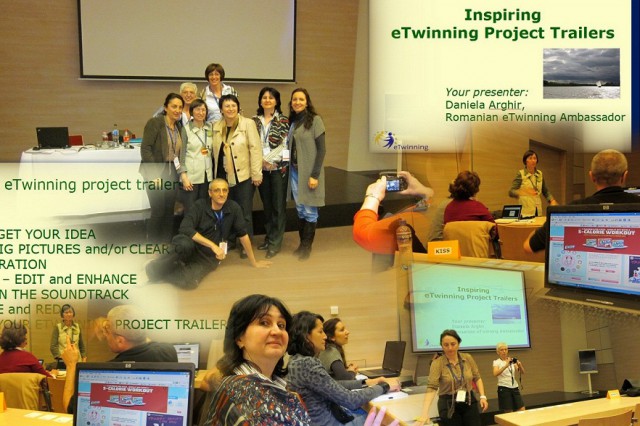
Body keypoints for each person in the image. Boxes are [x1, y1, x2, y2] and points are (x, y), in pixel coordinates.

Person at [202, 294, 310, 425]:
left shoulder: (278, 386)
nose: (277, 331)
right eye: (264, 323)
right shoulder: (241, 392)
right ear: (239, 338)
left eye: (281, 325)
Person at [145, 179, 271, 289]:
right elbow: (185, 228)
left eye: (224, 190)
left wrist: (254, 262)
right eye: (217, 190)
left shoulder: (234, 208)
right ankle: (153, 269)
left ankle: (167, 271)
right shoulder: (199, 205)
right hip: (191, 245)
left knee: (191, 282)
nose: (221, 194)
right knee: (183, 244)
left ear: (228, 192)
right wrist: (213, 245)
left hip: (207, 257)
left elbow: (243, 235)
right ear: (210, 193)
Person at [286, 311, 400, 426]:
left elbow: (333, 384)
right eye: (320, 332)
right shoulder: (307, 363)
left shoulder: (294, 361)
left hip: (323, 420)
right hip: (332, 423)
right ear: (306, 336)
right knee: (389, 417)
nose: (325, 336)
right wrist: (384, 386)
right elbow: (351, 400)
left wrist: (366, 382)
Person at [63, 305, 178, 413]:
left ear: (120, 341)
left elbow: (69, 407)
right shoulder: (168, 351)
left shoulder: (110, 372)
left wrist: (71, 364)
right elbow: (143, 339)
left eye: (107, 332)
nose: (105, 335)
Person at [524, 149, 639, 253]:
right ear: (625, 176)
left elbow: (528, 246)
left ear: (591, 176)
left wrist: (546, 225)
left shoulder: (571, 209)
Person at [212, 94, 263, 258]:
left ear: (238, 108)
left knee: (244, 211)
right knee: (226, 209)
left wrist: (256, 173)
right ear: (221, 109)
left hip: (243, 175)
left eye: (233, 105)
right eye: (226, 106)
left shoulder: (248, 124)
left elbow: (255, 149)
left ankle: (245, 245)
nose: (230, 109)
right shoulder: (216, 126)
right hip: (223, 176)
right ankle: (230, 240)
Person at [414, 329, 488, 426]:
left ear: (458, 344)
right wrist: (424, 413)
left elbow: (477, 377)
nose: (450, 348)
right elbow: (432, 387)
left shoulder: (467, 358)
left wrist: (482, 396)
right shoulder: (437, 363)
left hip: (469, 400)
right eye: (446, 345)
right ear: (441, 346)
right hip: (448, 404)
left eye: (453, 344)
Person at [140, 92, 187, 243]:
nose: (177, 110)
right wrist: (154, 174)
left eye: (180, 107)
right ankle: (152, 247)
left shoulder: (179, 126)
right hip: (155, 171)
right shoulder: (155, 123)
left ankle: (166, 244)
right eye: (174, 106)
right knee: (158, 211)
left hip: (171, 172)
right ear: (165, 107)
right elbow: (145, 149)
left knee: (169, 210)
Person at [287, 88, 326, 260]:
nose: (297, 102)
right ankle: (302, 244)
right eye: (294, 99)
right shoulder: (293, 121)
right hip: (295, 173)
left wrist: (314, 175)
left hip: (310, 173)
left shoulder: (315, 120)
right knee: (301, 209)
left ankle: (306, 247)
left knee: (310, 210)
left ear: (307, 102)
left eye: (301, 99)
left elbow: (322, 150)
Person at [353, 172, 434, 254]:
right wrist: (427, 192)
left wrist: (373, 196)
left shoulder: (406, 224)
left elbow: (362, 235)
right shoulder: (436, 210)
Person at [253, 87, 290, 259]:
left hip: (277, 169)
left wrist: (269, 160)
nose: (267, 100)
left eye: (271, 97)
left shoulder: (283, 121)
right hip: (261, 170)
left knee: (278, 207)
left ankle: (276, 242)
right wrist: (260, 161)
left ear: (276, 101)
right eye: (264, 97)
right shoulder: (254, 121)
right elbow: (251, 144)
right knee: (267, 206)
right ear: (260, 101)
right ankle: (269, 237)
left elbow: (285, 146)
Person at [179, 99, 214, 215]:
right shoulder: (185, 129)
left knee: (204, 210)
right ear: (192, 111)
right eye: (197, 109)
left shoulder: (210, 127)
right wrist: (183, 176)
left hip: (207, 176)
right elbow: (181, 155)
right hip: (191, 178)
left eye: (203, 110)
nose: (201, 112)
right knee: (191, 211)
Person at [508, 150, 558, 218]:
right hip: (525, 212)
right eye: (530, 158)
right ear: (525, 161)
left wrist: (552, 200)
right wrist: (523, 192)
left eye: (535, 158)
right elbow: (511, 192)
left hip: (538, 210)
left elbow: (545, 190)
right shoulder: (521, 174)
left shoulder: (539, 174)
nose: (533, 160)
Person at [493, 342, 525, 413]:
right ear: (498, 352)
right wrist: (505, 365)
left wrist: (520, 365)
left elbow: (522, 372)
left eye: (505, 349)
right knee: (509, 411)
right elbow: (495, 373)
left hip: (514, 387)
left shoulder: (512, 360)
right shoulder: (496, 362)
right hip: (504, 388)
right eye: (502, 350)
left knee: (521, 409)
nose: (504, 351)